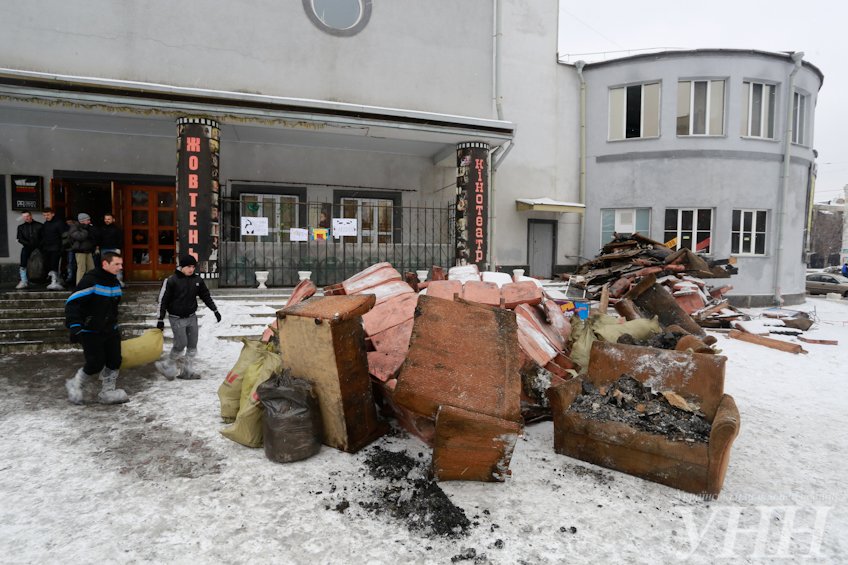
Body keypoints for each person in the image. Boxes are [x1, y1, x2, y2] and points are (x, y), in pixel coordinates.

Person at [64, 252, 128, 405]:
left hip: (110, 330)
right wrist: (75, 326)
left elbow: (113, 306)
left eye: (121, 264)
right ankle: (75, 384)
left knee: (115, 360)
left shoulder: (115, 283)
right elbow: (72, 303)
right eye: (117, 264)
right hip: (91, 331)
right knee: (95, 363)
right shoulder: (90, 281)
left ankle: (107, 391)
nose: (120, 267)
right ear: (105, 264)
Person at [154, 255, 222, 380]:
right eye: (188, 267)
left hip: (191, 317)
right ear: (181, 267)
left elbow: (205, 296)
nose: (191, 269)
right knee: (180, 344)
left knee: (192, 345)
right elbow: (162, 300)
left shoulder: (197, 280)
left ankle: (187, 371)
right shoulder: (171, 280)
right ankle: (167, 365)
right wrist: (160, 319)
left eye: (193, 267)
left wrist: (215, 310)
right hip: (176, 317)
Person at [40, 208, 68, 290]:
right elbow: (44, 236)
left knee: (55, 265)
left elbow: (65, 237)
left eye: (48, 215)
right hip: (47, 248)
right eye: (44, 215)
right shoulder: (45, 224)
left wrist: (62, 248)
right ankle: (56, 280)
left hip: (57, 248)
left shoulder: (59, 223)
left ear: (53, 214)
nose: (46, 217)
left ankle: (56, 281)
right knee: (48, 265)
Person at [15, 211, 42, 289]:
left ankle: (48, 279)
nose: (26, 218)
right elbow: (19, 238)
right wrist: (28, 244)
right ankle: (23, 281)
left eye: (27, 216)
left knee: (45, 260)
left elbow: (44, 237)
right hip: (27, 246)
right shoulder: (21, 227)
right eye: (24, 216)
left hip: (39, 246)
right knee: (23, 262)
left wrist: (39, 245)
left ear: (31, 216)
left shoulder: (39, 225)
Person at [69, 213, 98, 284]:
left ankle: (91, 284)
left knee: (91, 269)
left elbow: (95, 236)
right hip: (80, 250)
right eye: (87, 220)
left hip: (88, 250)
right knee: (81, 269)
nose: (89, 221)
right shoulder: (75, 227)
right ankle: (79, 285)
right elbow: (80, 237)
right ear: (82, 221)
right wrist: (86, 230)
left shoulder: (88, 227)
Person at [98, 213, 125, 287]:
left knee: (117, 265)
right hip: (104, 249)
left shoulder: (117, 229)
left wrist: (118, 248)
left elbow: (120, 239)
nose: (107, 221)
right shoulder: (102, 228)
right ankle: (106, 281)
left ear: (113, 220)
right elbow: (99, 239)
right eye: (106, 219)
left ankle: (118, 281)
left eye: (108, 219)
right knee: (105, 266)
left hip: (114, 249)